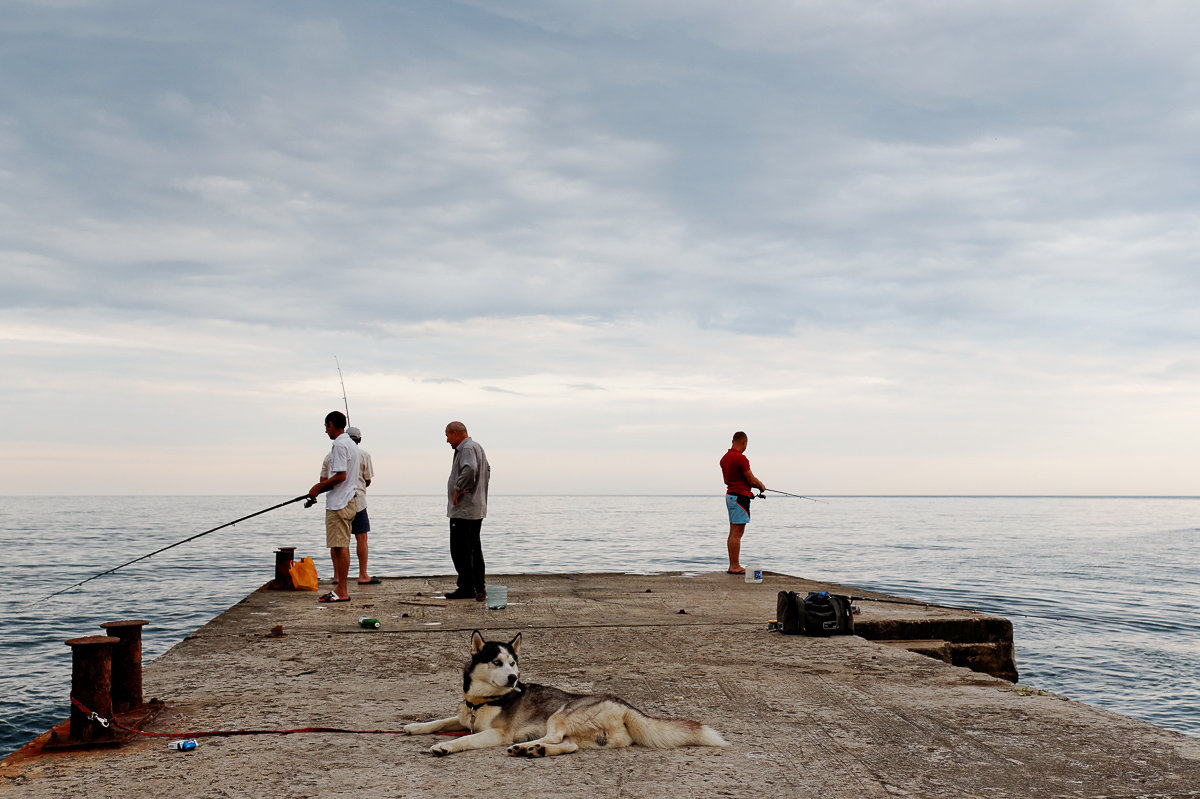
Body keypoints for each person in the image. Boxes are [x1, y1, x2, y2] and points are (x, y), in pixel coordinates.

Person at [306, 410, 361, 602]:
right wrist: (318, 491)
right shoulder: (352, 445)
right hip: (348, 500)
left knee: (340, 546)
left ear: (331, 424)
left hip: (339, 503)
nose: (325, 431)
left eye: (325, 426)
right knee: (340, 546)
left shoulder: (339, 444)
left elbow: (340, 476)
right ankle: (340, 589)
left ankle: (342, 591)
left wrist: (317, 487)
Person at [320, 427, 377, 585]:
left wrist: (317, 489)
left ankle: (337, 576)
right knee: (361, 537)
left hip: (336, 502)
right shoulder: (364, 455)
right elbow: (368, 481)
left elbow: (323, 480)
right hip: (358, 501)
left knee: (337, 542)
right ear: (358, 440)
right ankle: (363, 574)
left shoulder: (329, 455)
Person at [444, 421, 490, 600]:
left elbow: (470, 469)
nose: (447, 440)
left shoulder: (466, 449)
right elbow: (486, 469)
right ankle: (478, 587)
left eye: (448, 435)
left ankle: (466, 587)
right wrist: (479, 491)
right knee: (473, 548)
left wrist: (459, 489)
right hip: (476, 507)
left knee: (460, 550)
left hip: (464, 509)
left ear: (456, 433)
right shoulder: (477, 447)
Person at [720, 431, 766, 575]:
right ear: (744, 442)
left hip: (732, 496)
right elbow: (751, 480)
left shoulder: (724, 459)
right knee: (737, 533)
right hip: (739, 498)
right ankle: (735, 566)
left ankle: (732, 565)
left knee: (733, 532)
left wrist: (747, 491)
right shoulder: (741, 458)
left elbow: (734, 481)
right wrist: (761, 486)